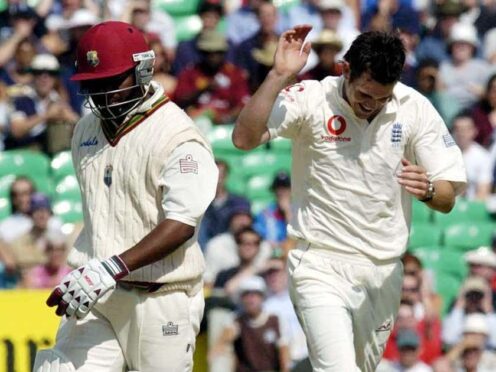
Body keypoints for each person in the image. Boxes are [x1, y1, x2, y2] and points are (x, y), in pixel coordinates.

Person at [232, 26, 467, 371]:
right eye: (364, 94)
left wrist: (430, 190)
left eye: (382, 98)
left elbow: (447, 197)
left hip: (383, 271)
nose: (371, 105)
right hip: (319, 263)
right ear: (345, 69)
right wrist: (279, 74)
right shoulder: (312, 97)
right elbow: (243, 138)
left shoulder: (414, 107)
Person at [33, 21, 218, 372]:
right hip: (98, 292)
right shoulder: (85, 129)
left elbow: (181, 224)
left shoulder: (178, 136)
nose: (102, 95)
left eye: (111, 82)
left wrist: (112, 268)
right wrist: (97, 270)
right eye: (92, 85)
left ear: (143, 70)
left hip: (160, 295)